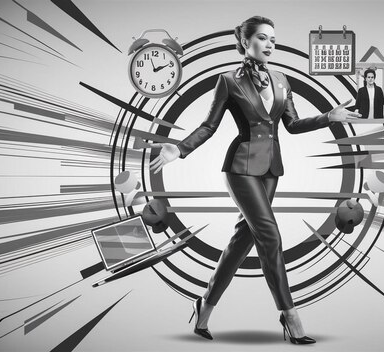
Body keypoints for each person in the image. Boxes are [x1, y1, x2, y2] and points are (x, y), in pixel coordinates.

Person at [148, 15, 358, 345]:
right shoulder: (228, 80)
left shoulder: (282, 79)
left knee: (240, 243)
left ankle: (204, 305)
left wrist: (327, 117)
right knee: (270, 235)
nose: (271, 44)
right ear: (246, 42)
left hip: (271, 169)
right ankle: (290, 315)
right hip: (240, 168)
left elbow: (292, 124)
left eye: (273, 39)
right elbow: (208, 125)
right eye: (263, 38)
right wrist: (181, 149)